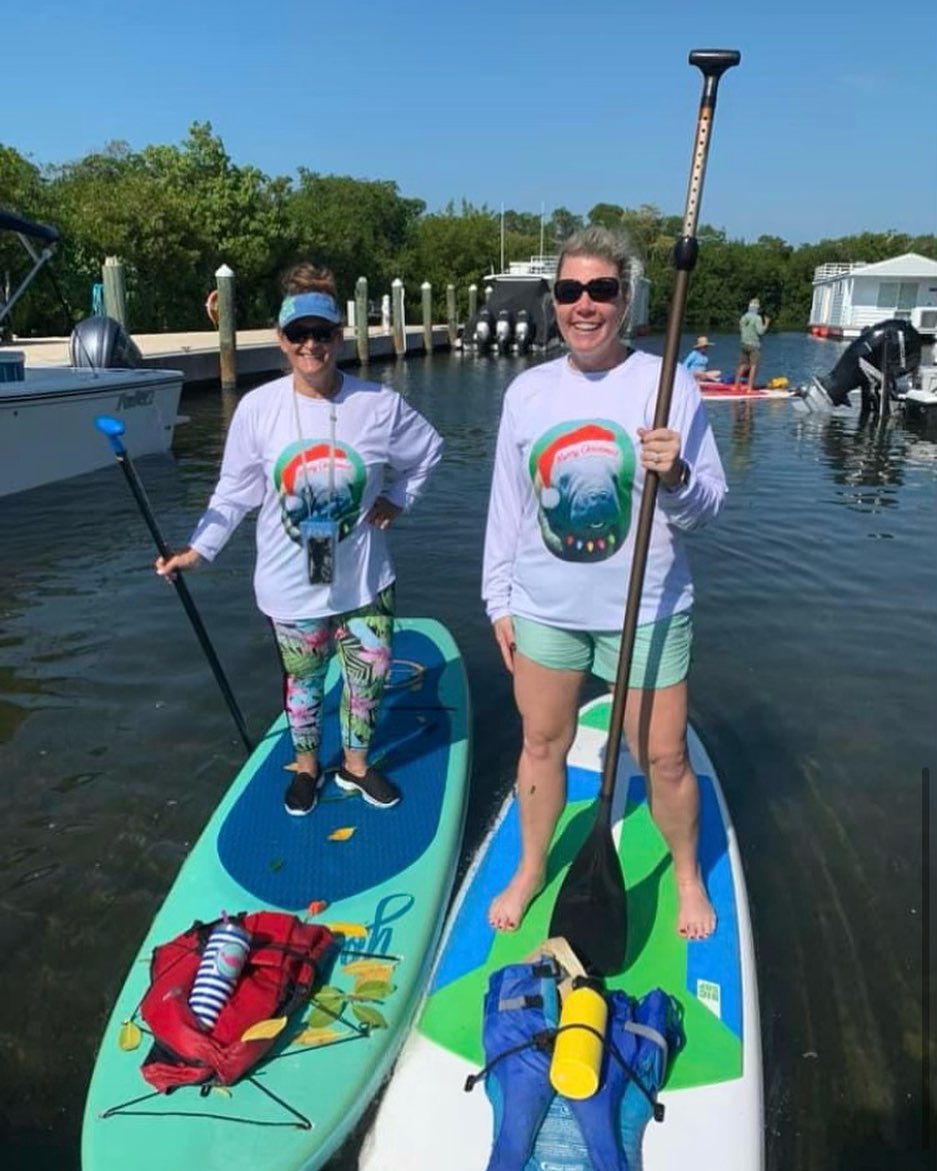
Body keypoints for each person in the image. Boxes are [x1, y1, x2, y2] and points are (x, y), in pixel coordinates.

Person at [482, 225, 727, 941]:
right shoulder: (527, 392)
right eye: (567, 290)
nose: (582, 305)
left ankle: (685, 873)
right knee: (539, 744)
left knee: (663, 756)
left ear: (625, 299)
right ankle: (531, 865)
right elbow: (508, 507)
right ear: (552, 299)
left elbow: (708, 508)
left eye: (600, 290)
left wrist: (676, 475)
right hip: (545, 612)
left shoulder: (667, 385)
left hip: (645, 612)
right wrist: (498, 600)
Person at [157, 263, 443, 815]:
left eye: (322, 333)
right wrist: (196, 550)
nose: (311, 345)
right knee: (304, 680)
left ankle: (356, 767)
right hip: (292, 579)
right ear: (281, 341)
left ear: (339, 337)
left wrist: (398, 499)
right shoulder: (258, 409)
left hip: (363, 576)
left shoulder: (378, 406)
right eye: (298, 335)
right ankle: (307, 768)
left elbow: (428, 451)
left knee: (370, 675)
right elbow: (232, 493)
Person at [734, 298, 769, 390]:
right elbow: (760, 332)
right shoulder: (757, 318)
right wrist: (766, 324)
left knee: (743, 365)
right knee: (754, 366)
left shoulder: (744, 317)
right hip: (754, 345)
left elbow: (741, 328)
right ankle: (749, 388)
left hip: (744, 343)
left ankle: (736, 385)